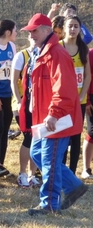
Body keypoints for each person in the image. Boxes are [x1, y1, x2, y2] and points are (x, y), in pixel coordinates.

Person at [20, 13, 88, 215]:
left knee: (49, 161)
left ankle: (49, 204)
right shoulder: (41, 52)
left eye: (34, 31)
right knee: (37, 154)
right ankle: (74, 185)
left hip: (55, 119)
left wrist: (54, 113)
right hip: (42, 118)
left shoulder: (56, 54)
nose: (31, 35)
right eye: (30, 31)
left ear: (46, 30)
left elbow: (64, 89)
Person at [60, 15, 90, 174]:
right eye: (70, 26)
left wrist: (81, 96)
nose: (72, 29)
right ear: (64, 27)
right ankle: (62, 169)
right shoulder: (58, 47)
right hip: (62, 101)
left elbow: (87, 76)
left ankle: (71, 172)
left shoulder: (83, 48)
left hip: (79, 100)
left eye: (76, 26)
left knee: (76, 136)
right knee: (63, 135)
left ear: (80, 29)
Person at [11, 35, 40, 187]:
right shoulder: (21, 56)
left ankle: (32, 174)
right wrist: (19, 100)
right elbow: (13, 81)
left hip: (39, 105)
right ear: (28, 37)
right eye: (32, 35)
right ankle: (22, 173)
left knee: (37, 138)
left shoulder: (44, 54)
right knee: (28, 137)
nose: (35, 38)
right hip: (23, 104)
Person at [0, 20, 17, 178]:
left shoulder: (12, 47)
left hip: (8, 94)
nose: (17, 33)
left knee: (5, 129)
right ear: (7, 32)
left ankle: (2, 163)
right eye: (15, 30)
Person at [83, 48, 93, 179]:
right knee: (92, 132)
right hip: (91, 97)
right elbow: (87, 76)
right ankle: (86, 168)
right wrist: (87, 100)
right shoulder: (90, 53)